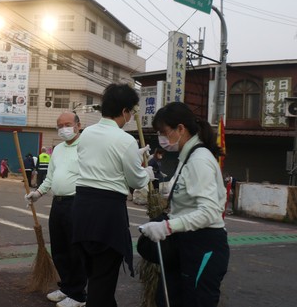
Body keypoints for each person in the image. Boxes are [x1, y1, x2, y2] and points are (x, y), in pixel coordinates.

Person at [139, 102, 229, 307]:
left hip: (203, 244)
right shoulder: (187, 157)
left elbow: (210, 212)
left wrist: (167, 226)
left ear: (181, 128)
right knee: (168, 299)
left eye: (164, 132)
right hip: (186, 242)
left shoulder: (199, 160)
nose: (162, 138)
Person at [72, 84, 153, 307]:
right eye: (132, 112)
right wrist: (146, 171)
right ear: (125, 111)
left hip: (81, 209)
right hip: (107, 213)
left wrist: (132, 156)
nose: (130, 117)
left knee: (94, 274)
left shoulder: (86, 133)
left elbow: (101, 162)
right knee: (103, 278)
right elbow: (136, 181)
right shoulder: (125, 140)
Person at [25, 112, 87, 307]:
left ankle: (78, 295)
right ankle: (67, 287)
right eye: (59, 125)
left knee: (75, 249)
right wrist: (38, 193)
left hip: (77, 203)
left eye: (67, 124)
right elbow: (50, 178)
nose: (63, 129)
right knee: (59, 248)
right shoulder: (58, 149)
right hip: (58, 204)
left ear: (78, 125)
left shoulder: (86, 146)